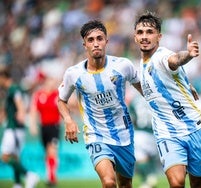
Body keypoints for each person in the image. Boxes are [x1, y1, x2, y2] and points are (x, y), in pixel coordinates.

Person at [57, 20, 142, 188]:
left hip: (124, 135)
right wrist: (68, 120)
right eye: (90, 40)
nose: (96, 43)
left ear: (106, 41)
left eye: (99, 38)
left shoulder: (123, 66)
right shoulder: (74, 74)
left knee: (125, 184)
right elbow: (61, 100)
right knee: (109, 182)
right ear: (84, 45)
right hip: (96, 135)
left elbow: (146, 90)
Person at [134, 11, 201, 188]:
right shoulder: (141, 65)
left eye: (150, 32)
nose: (145, 37)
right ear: (135, 37)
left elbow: (175, 60)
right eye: (140, 32)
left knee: (198, 183)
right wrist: (186, 83)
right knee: (176, 183)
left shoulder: (162, 55)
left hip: (194, 128)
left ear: (159, 37)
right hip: (167, 133)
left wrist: (188, 54)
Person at [0, 67, 39, 188]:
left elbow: (19, 102)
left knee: (5, 156)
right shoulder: (11, 90)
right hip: (16, 128)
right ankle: (17, 184)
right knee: (15, 157)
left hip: (13, 128)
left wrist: (21, 111)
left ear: (3, 78)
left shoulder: (13, 89)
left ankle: (29, 175)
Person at [29, 70, 61, 187]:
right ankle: (50, 175)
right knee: (47, 153)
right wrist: (32, 125)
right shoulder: (39, 95)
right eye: (49, 82)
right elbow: (33, 110)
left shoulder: (57, 94)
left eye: (52, 82)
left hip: (54, 126)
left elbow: (64, 109)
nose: (50, 84)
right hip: (43, 127)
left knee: (52, 150)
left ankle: (52, 178)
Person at [128, 92, 159, 188]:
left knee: (141, 158)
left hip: (140, 133)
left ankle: (148, 177)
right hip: (156, 133)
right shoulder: (156, 96)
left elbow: (132, 119)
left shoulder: (134, 100)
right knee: (151, 157)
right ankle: (151, 177)